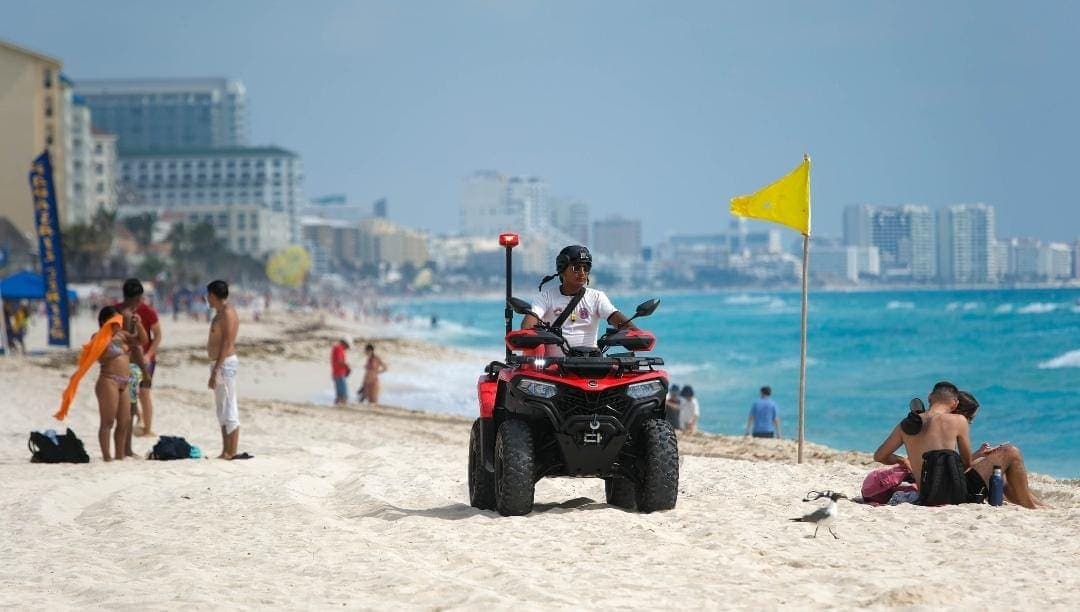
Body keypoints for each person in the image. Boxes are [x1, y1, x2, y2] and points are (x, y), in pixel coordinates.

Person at [874, 382, 1042, 509]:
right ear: (954, 404)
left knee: (996, 466)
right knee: (1011, 452)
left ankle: (1032, 503)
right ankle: (1030, 506)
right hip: (956, 494)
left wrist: (904, 460)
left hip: (927, 496)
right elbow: (967, 463)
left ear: (929, 397)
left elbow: (879, 456)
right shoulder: (958, 420)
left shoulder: (906, 424)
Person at [521, 245, 635, 354]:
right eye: (576, 268)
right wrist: (534, 332)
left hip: (591, 365)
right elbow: (528, 326)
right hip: (554, 369)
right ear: (562, 269)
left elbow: (626, 326)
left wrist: (636, 336)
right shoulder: (545, 297)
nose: (582, 273)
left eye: (585, 268)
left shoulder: (597, 297)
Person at [115, 279, 162, 437]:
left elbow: (157, 335)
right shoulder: (116, 311)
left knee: (144, 392)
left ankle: (147, 428)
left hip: (146, 358)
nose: (139, 302)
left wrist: (149, 355)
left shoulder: (148, 311)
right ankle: (137, 419)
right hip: (124, 360)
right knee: (127, 394)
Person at [206, 280, 244, 459]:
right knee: (221, 408)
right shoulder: (219, 313)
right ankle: (225, 450)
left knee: (229, 406)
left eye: (209, 295)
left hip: (225, 363)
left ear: (213, 295)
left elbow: (227, 342)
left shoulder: (228, 313)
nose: (207, 299)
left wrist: (216, 371)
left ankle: (232, 450)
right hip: (217, 363)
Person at [92, 306, 136, 461]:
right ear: (105, 321)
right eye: (115, 320)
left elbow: (141, 339)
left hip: (124, 382)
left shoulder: (123, 335)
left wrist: (137, 323)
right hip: (108, 380)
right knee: (108, 421)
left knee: (125, 421)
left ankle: (120, 455)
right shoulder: (98, 337)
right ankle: (107, 456)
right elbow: (100, 358)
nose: (118, 323)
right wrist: (117, 349)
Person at [331, 337, 352, 405]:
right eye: (347, 346)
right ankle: (343, 406)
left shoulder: (336, 348)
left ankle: (337, 407)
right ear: (345, 343)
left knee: (339, 394)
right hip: (339, 373)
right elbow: (339, 361)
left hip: (337, 373)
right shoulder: (339, 348)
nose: (347, 348)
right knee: (343, 395)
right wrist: (347, 367)